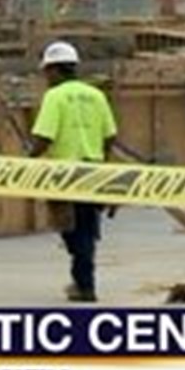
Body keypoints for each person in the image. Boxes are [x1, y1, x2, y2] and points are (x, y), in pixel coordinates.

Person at [27, 40, 118, 303]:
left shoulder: (55, 97)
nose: (46, 78)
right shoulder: (96, 95)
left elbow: (44, 137)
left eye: (47, 72)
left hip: (65, 174)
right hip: (92, 169)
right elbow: (110, 135)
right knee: (85, 228)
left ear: (54, 70)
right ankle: (82, 280)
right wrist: (103, 161)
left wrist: (27, 161)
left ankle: (85, 284)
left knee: (71, 231)